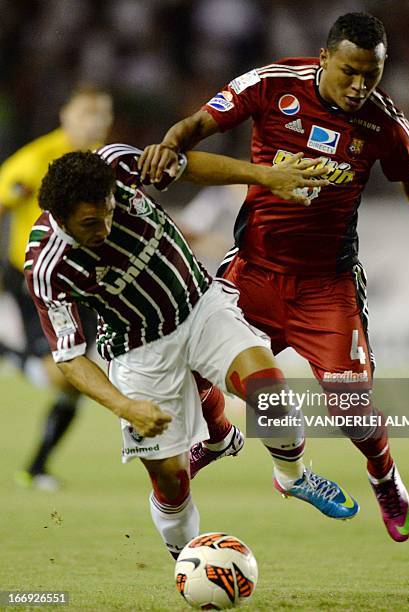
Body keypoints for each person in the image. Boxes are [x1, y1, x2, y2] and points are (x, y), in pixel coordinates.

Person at [138, 12, 409, 542]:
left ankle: (384, 476)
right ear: (325, 58)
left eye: (372, 74)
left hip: (328, 286)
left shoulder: (384, 124)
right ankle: (219, 436)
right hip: (253, 273)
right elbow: (194, 129)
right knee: (188, 366)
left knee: (353, 412)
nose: (360, 85)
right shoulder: (272, 85)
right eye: (349, 71)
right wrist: (168, 143)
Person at [24, 143, 359, 560]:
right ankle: (190, 565)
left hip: (200, 306)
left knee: (272, 396)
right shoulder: (47, 266)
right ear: (60, 216)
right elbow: (71, 358)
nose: (106, 227)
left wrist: (263, 175)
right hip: (139, 351)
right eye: (91, 222)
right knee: (170, 483)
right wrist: (125, 407)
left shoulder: (117, 164)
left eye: (110, 210)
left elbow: (187, 167)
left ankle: (293, 477)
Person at [0, 84, 114, 490]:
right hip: (37, 280)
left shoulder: (105, 160)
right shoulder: (35, 159)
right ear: (65, 115)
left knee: (75, 380)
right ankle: (11, 355)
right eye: (87, 113)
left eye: (103, 114)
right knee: (67, 373)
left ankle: (36, 468)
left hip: (83, 280)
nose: (96, 122)